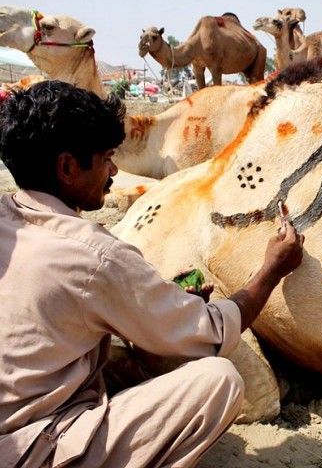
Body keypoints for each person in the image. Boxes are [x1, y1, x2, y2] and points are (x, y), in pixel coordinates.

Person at [0, 81, 305, 467]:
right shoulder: (94, 255)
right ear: (67, 167)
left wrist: (156, 306)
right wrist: (272, 268)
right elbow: (209, 333)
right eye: (106, 158)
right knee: (218, 381)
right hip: (30, 447)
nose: (113, 171)